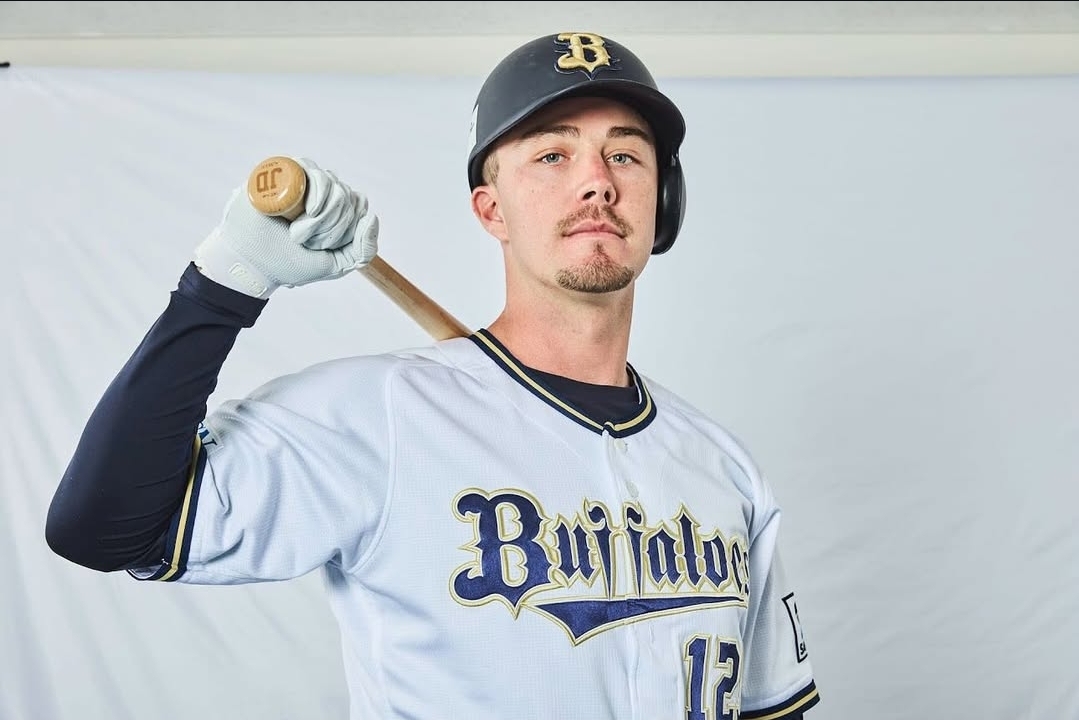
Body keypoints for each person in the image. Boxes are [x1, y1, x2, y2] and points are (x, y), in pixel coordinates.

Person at [46, 31, 821, 720]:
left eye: (624, 154)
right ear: (491, 210)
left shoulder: (722, 467)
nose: (596, 180)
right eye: (551, 155)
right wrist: (225, 282)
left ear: (663, 203)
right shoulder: (378, 415)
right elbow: (104, 528)